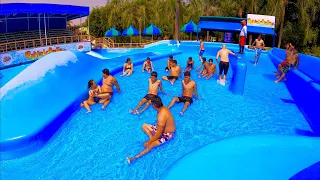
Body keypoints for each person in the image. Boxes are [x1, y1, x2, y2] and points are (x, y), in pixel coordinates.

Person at [127, 96, 176, 164]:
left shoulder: (161, 116)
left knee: (152, 145)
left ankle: (133, 158)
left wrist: (149, 142)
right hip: (161, 129)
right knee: (144, 126)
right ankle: (152, 138)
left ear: (154, 105)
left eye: (151, 104)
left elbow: (159, 133)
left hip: (167, 134)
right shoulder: (163, 107)